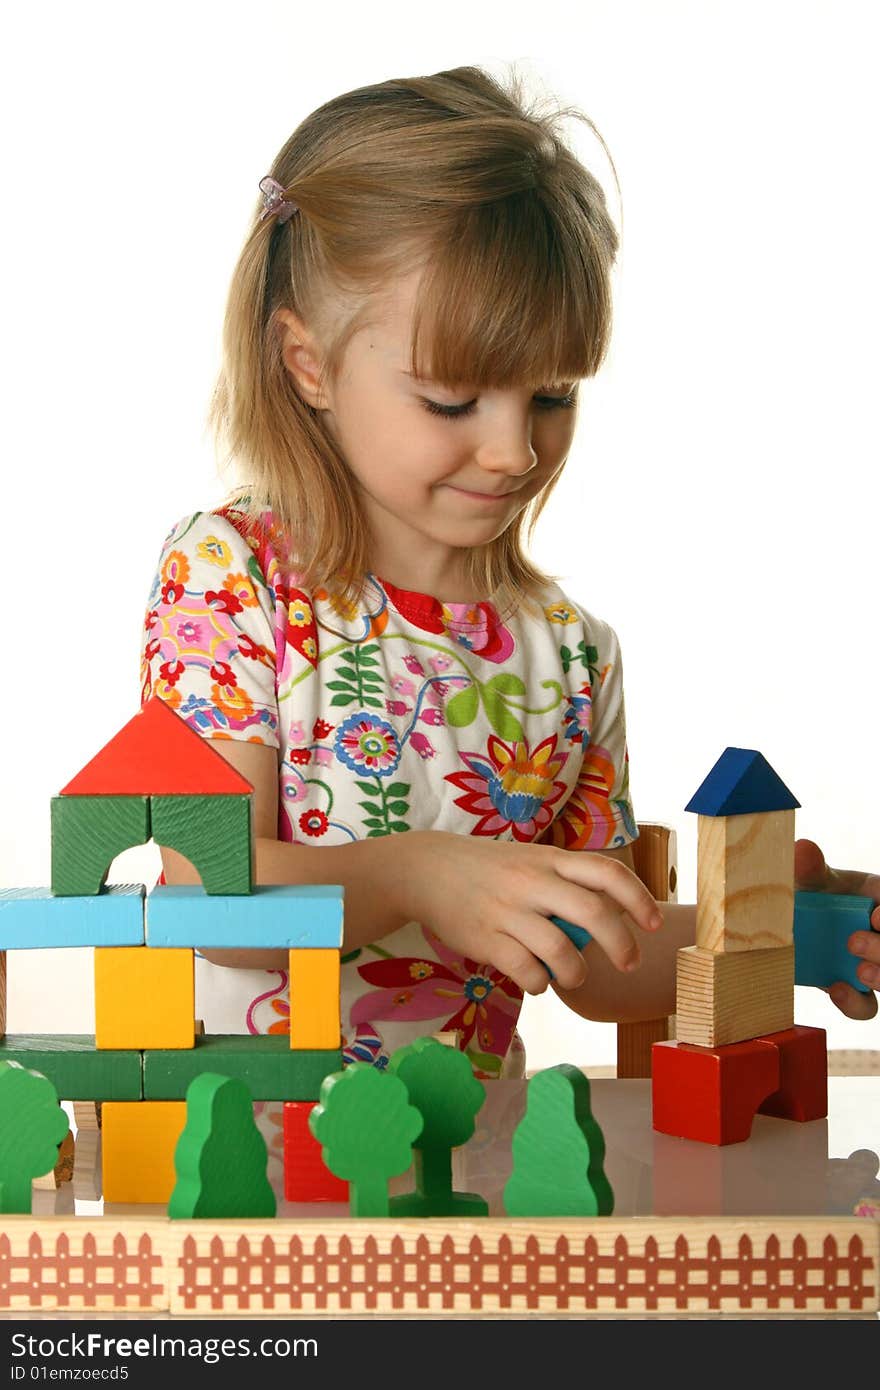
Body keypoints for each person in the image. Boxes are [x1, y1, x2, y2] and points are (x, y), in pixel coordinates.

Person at [141, 64, 879, 1088]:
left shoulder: (569, 651)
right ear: (307, 364)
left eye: (552, 395)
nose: (514, 451)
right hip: (247, 1167)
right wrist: (412, 873)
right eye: (452, 401)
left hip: (476, 1168)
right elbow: (203, 902)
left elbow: (599, 965)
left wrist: (767, 930)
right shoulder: (233, 578)